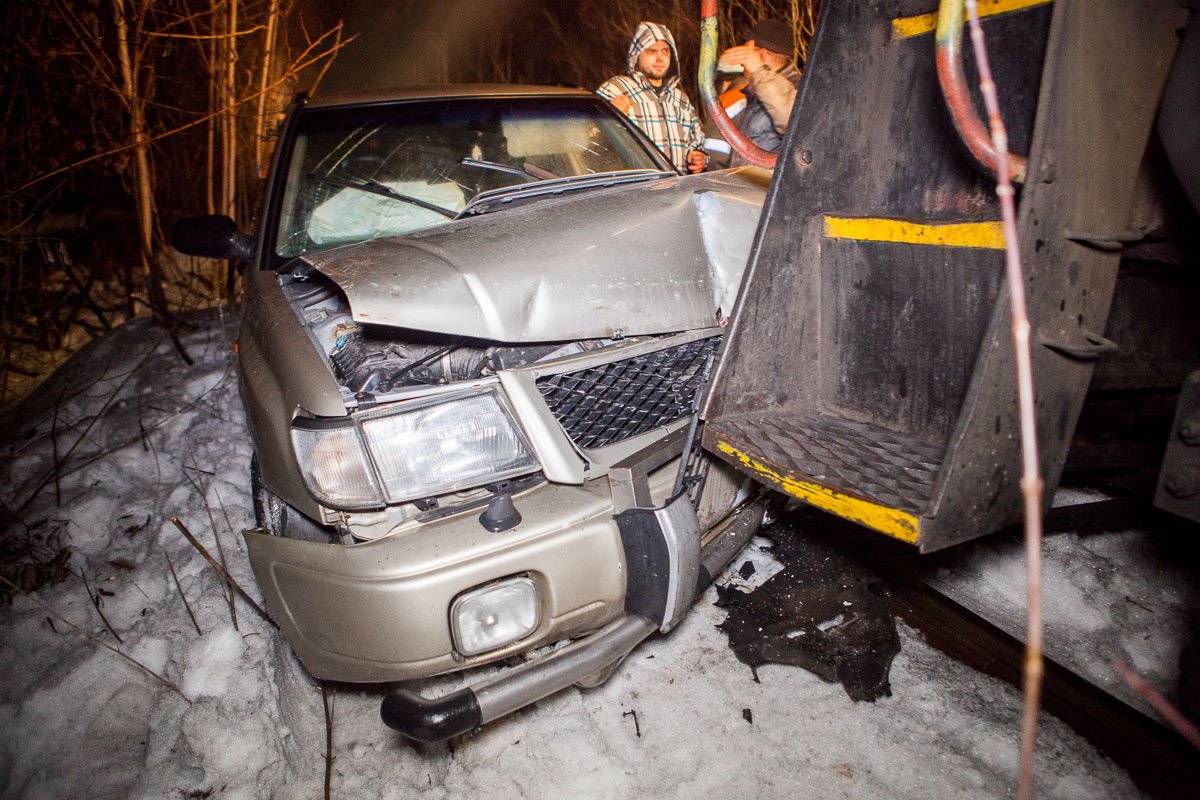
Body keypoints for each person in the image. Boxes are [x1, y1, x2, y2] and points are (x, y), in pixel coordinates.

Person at [597, 22, 707, 174]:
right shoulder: (616, 89)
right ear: (636, 55)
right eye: (651, 51)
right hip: (637, 190)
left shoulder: (680, 99)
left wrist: (698, 156)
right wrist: (608, 118)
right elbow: (587, 142)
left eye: (665, 51)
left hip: (678, 189)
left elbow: (696, 141)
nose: (660, 58)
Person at [710, 18, 802, 166]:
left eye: (746, 53)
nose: (742, 63)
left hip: (769, 189)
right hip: (748, 188)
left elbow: (793, 118)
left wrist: (758, 72)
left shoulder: (799, 90)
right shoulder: (758, 92)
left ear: (762, 55)